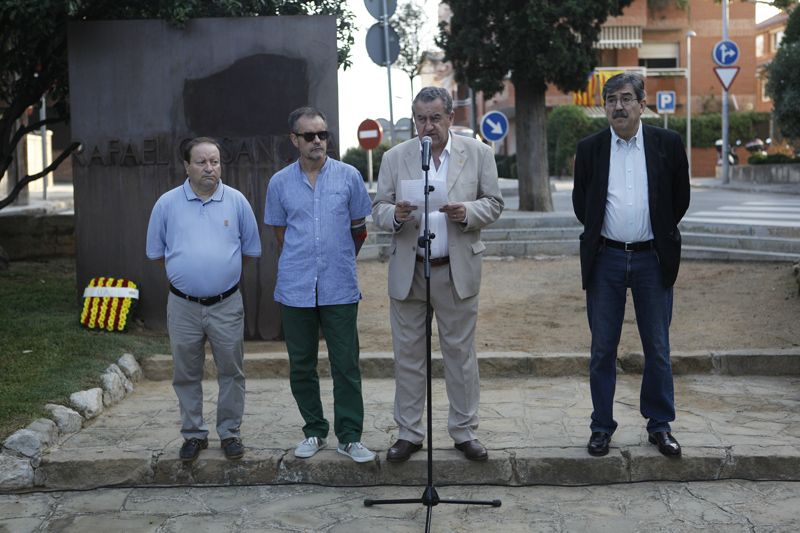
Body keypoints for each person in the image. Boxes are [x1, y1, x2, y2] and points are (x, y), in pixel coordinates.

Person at [372, 87, 504, 462]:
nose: (427, 127)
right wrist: (394, 215)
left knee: (460, 355)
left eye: (434, 118)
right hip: (409, 269)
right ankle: (410, 433)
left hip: (455, 268)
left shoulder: (478, 153)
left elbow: (494, 203)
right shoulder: (396, 157)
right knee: (408, 356)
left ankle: (464, 432)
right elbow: (378, 208)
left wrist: (467, 212)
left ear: (450, 117)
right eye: (420, 119)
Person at [572, 72, 690, 458]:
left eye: (625, 98)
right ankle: (601, 426)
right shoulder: (590, 148)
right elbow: (581, 204)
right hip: (605, 258)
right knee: (602, 349)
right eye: (610, 99)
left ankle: (659, 425)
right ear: (603, 106)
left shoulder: (667, 144)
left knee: (657, 347)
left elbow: (679, 200)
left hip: (651, 259)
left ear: (642, 103)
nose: (618, 106)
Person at [264, 106, 375, 463]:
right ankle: (313, 430)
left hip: (339, 285)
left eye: (323, 134)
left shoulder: (349, 177)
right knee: (301, 364)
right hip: (296, 286)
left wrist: (336, 257)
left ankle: (350, 436)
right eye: (309, 135)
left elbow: (359, 228)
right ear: (294, 139)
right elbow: (281, 234)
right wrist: (307, 259)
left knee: (346, 363)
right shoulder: (279, 182)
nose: (317, 141)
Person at [146, 137, 262, 462]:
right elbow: (157, 255)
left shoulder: (237, 202)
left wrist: (221, 277)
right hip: (183, 306)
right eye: (201, 162)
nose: (210, 168)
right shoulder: (166, 204)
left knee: (232, 371)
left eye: (215, 161)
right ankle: (194, 435)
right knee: (185, 372)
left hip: (226, 304)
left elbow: (250, 252)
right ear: (186, 165)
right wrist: (187, 277)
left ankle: (230, 433)